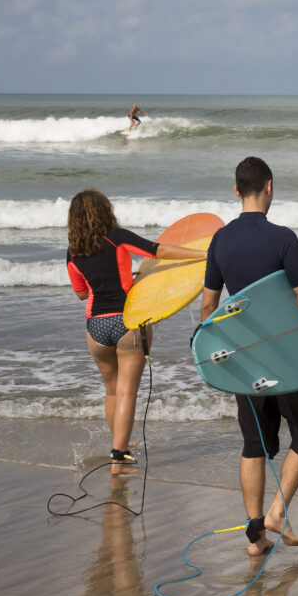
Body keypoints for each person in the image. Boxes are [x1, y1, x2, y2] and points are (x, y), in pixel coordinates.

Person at [200, 156, 298, 556]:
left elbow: (209, 305)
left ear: (235, 190)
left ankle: (255, 538)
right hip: (288, 358)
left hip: (245, 360)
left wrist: (219, 354)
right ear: (269, 186)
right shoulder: (283, 238)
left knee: (255, 445)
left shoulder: (220, 240)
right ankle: (276, 514)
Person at [66, 189, 206, 474]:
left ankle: (121, 446)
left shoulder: (73, 251)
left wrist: (112, 278)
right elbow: (159, 251)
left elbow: (82, 293)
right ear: (104, 210)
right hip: (129, 321)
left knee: (112, 391)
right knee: (128, 392)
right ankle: (120, 459)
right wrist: (204, 254)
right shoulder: (116, 237)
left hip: (95, 326)